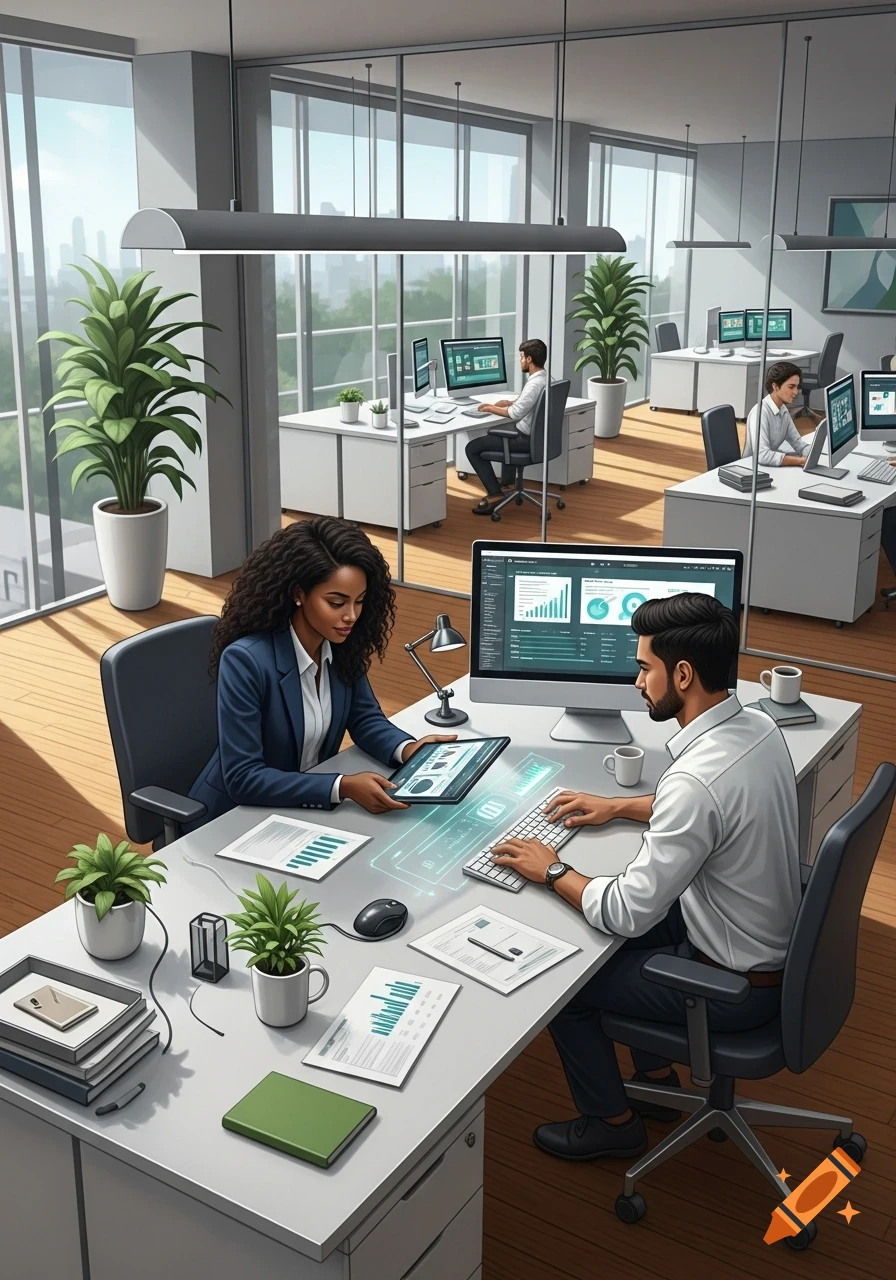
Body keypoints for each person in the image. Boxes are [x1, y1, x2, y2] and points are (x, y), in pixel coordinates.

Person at [490, 593, 802, 1162]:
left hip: (736, 988)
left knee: (565, 987)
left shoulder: (695, 782)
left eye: (644, 667)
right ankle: (656, 1081)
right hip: (764, 943)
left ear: (682, 674)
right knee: (619, 943)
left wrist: (551, 869)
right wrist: (619, 806)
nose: (636, 682)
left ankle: (612, 1123)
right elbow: (714, 808)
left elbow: (627, 909)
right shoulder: (755, 726)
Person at [190, 517, 455, 823]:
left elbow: (365, 719)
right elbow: (244, 778)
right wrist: (341, 787)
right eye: (336, 602)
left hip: (303, 808)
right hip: (231, 818)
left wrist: (409, 750)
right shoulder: (246, 661)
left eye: (359, 601)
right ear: (298, 594)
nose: (351, 616)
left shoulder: (340, 644)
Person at [465, 338, 548, 514]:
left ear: (529, 359)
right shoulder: (545, 378)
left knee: (472, 448)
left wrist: (490, 407)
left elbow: (515, 414)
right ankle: (508, 484)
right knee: (505, 433)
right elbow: (529, 403)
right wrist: (509, 401)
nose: (520, 360)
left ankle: (495, 494)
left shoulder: (533, 384)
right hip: (539, 438)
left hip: (525, 440)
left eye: (521, 357)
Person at [742, 361, 815, 467]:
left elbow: (797, 442)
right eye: (791, 387)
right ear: (775, 387)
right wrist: (800, 461)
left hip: (770, 467)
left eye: (797, 387)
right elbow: (762, 455)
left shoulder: (782, 409)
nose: (796, 392)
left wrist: (813, 454)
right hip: (753, 469)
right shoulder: (760, 413)